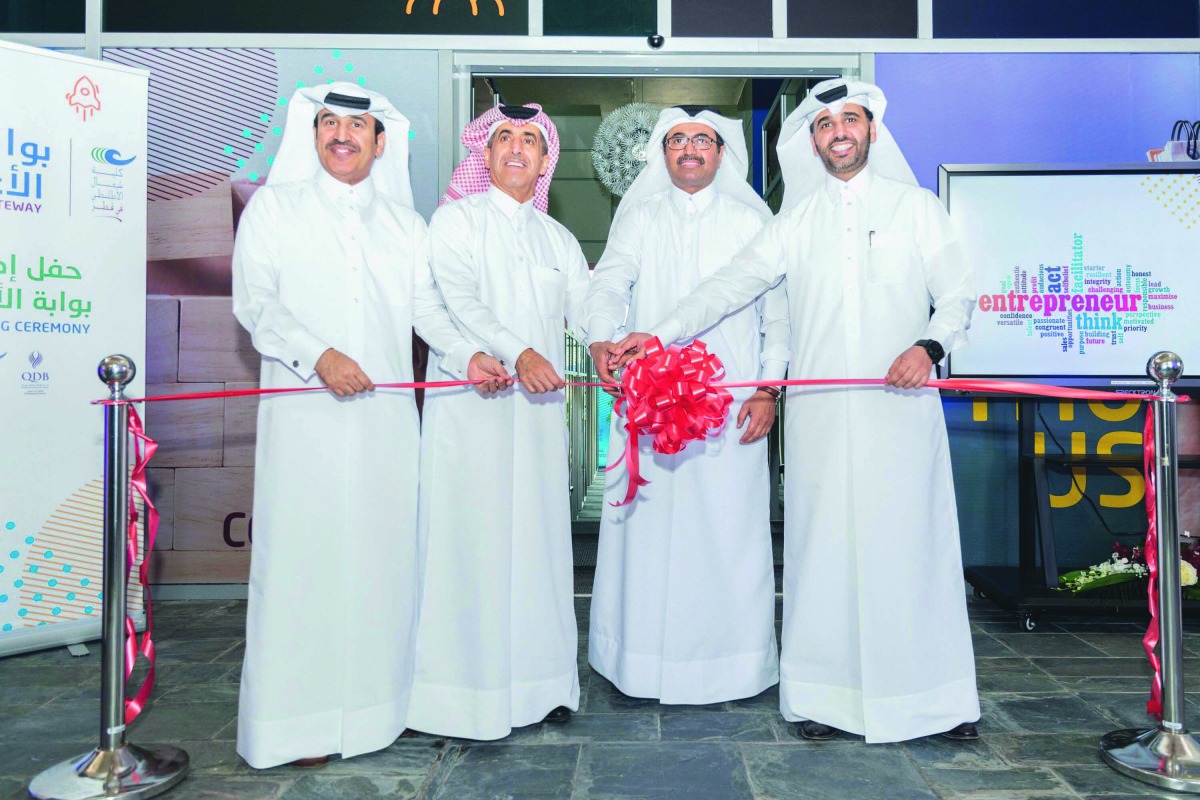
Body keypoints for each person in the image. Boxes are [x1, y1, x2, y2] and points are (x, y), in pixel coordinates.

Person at [612, 80, 980, 743]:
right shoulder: (794, 221)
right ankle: (825, 699)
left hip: (898, 411)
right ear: (811, 141)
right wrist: (658, 334)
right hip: (816, 419)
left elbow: (958, 294)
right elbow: (728, 288)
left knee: (910, 548)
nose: (837, 131)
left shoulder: (916, 207)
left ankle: (932, 699)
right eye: (824, 123)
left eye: (850, 119)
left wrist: (929, 346)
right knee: (823, 551)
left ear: (871, 130)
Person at [231, 83, 505, 769]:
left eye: (357, 126)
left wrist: (470, 354)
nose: (342, 135)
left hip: (384, 427)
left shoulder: (405, 226)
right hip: (304, 421)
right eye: (329, 123)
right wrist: (317, 355)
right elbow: (254, 303)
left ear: (381, 143)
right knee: (303, 567)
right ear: (313, 134)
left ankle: (380, 711)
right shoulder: (275, 208)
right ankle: (295, 728)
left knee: (382, 565)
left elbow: (428, 313)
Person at [583, 105, 788, 704]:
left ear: (722, 153)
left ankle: (734, 666)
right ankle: (637, 662)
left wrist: (768, 387)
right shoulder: (641, 216)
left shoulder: (753, 219)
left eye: (703, 139)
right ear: (662, 152)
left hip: (731, 405)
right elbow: (609, 281)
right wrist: (600, 335)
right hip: (648, 400)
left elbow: (778, 313)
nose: (690, 149)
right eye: (677, 140)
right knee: (645, 533)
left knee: (729, 532)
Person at [406, 103, 591, 741]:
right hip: (471, 413)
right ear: (485, 156)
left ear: (545, 162)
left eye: (531, 141)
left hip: (536, 418)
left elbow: (588, 306)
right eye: (504, 138)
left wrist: (609, 346)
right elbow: (457, 299)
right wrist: (519, 352)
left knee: (538, 541)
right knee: (470, 542)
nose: (516, 148)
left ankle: (543, 685)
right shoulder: (455, 221)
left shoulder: (558, 240)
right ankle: (460, 696)